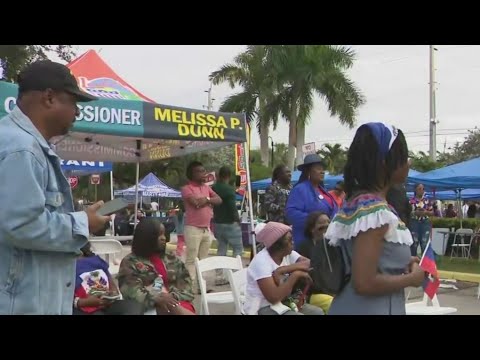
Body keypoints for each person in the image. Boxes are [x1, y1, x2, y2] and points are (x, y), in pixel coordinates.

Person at [0, 60, 111, 315]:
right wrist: (83, 223)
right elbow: (21, 225)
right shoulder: (21, 149)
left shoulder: (23, 144)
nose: (77, 113)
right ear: (49, 98)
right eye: (73, 103)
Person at [325, 122, 425, 315]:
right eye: (404, 157)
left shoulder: (361, 203)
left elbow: (368, 258)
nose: (408, 163)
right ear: (384, 163)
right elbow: (364, 282)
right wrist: (413, 279)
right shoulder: (373, 212)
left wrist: (400, 262)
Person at [244, 222, 324, 315]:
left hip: (284, 303)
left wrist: (283, 270)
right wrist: (295, 275)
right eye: (289, 240)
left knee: (317, 312)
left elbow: (310, 264)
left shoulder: (288, 254)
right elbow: (274, 298)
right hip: (262, 307)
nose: (293, 242)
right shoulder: (261, 262)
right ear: (278, 244)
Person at [118, 218, 196, 315]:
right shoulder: (130, 262)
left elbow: (187, 286)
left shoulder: (171, 258)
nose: (163, 238)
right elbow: (131, 293)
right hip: (148, 306)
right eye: (158, 235)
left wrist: (172, 297)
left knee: (175, 308)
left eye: (164, 234)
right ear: (146, 237)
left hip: (177, 301)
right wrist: (156, 299)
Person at [181, 161, 222, 293]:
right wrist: (208, 200)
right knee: (191, 259)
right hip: (193, 229)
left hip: (206, 229)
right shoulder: (187, 188)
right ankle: (189, 288)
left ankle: (201, 287)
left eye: (204, 171)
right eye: (199, 171)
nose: (203, 174)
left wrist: (207, 200)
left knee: (203, 260)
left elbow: (219, 200)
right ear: (191, 174)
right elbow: (195, 203)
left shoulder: (206, 187)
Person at [73, 243, 143, 315]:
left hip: (105, 302)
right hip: (80, 306)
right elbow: (64, 299)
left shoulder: (96, 261)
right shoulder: (65, 266)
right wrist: (82, 302)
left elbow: (112, 285)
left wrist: (112, 294)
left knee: (133, 307)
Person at [285, 154, 338, 249]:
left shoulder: (324, 191)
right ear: (308, 171)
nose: (322, 172)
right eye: (318, 168)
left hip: (327, 241)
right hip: (308, 243)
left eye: (323, 169)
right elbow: (291, 214)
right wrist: (316, 220)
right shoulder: (300, 189)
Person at [212, 166, 243, 286]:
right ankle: (236, 276)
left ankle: (219, 276)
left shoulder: (214, 188)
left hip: (217, 223)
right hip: (230, 223)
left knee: (221, 249)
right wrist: (237, 220)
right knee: (238, 249)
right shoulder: (229, 190)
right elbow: (232, 208)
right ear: (229, 176)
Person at [298, 211, 334, 314]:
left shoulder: (332, 246)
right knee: (335, 304)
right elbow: (306, 279)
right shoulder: (304, 248)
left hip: (332, 291)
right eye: (322, 224)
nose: (326, 225)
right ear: (312, 229)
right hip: (313, 293)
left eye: (328, 222)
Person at [409, 183, 434, 256]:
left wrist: (426, 212)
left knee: (424, 244)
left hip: (425, 223)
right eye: (419, 189)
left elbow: (432, 212)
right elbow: (407, 213)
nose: (421, 191)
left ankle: (425, 264)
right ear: (415, 190)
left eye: (423, 189)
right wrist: (415, 213)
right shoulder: (411, 201)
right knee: (414, 244)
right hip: (414, 223)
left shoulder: (427, 201)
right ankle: (413, 262)